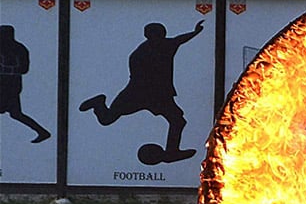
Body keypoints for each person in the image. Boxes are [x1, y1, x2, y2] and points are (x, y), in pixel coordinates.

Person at [79, 20, 203, 163]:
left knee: (177, 121)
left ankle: (171, 151)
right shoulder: (150, 51)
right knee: (176, 120)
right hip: (147, 94)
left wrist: (195, 32)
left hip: (145, 93)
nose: (162, 36)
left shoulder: (155, 48)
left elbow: (179, 40)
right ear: (150, 36)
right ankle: (99, 103)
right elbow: (177, 41)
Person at [0, 25, 51, 143]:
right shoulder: (20, 48)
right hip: (11, 84)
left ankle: (42, 132)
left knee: (16, 113)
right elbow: (24, 69)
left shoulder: (17, 49)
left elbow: (24, 69)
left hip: (8, 85)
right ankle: (42, 132)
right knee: (16, 114)